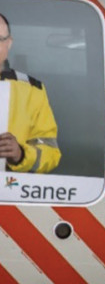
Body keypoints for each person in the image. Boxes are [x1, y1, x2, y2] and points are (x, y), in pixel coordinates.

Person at [0, 13, 61, 173]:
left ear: (9, 43)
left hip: (10, 192)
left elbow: (51, 152)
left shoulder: (32, 90)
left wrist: (20, 154)